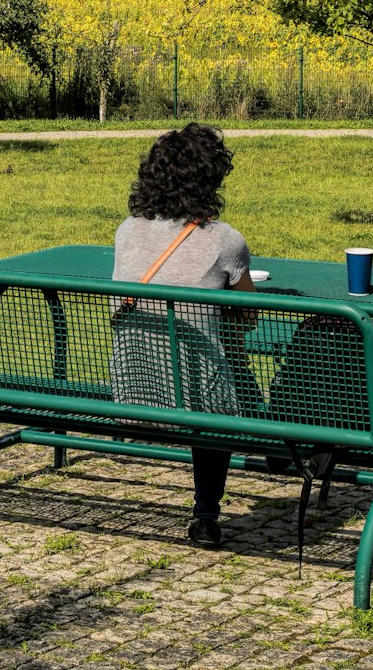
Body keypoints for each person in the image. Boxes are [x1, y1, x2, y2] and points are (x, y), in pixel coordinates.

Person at [111, 122, 254, 547]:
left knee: (207, 369)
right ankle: (206, 515)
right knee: (226, 380)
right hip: (193, 402)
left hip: (133, 390)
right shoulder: (226, 241)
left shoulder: (127, 230)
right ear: (210, 180)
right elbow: (248, 317)